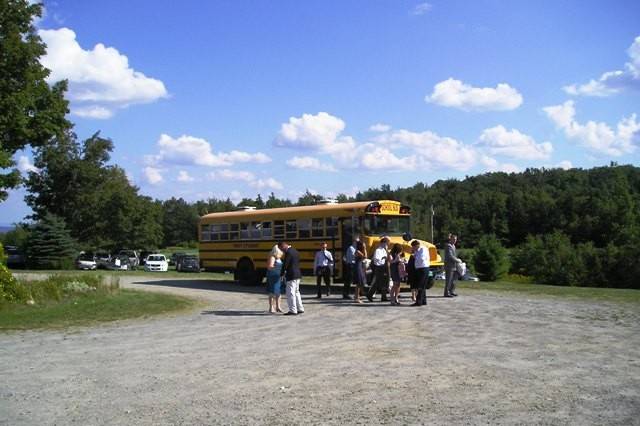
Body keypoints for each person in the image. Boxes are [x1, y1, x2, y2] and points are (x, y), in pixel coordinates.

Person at [279, 241, 304, 315]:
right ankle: (300, 308)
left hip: (291, 275)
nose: (281, 251)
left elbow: (285, 264)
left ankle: (293, 310)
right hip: (297, 274)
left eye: (281, 249)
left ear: (283, 246)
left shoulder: (288, 252)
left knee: (290, 293)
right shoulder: (295, 251)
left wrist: (281, 274)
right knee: (297, 292)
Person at [367, 237, 390, 302]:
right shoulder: (378, 250)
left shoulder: (384, 250)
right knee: (377, 282)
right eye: (386, 243)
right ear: (383, 243)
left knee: (385, 282)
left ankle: (384, 296)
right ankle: (370, 294)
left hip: (384, 267)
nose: (387, 244)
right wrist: (383, 259)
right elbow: (376, 259)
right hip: (380, 267)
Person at [265, 244, 284, 313]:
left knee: (278, 292)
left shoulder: (278, 258)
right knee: (272, 292)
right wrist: (277, 269)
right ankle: (271, 307)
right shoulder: (272, 257)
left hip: (278, 277)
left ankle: (278, 307)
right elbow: (270, 267)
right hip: (273, 277)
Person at [411, 240, 430, 306]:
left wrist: (415, 256)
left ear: (416, 245)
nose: (413, 249)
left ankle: (419, 301)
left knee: (420, 285)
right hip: (419, 269)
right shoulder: (417, 251)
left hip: (423, 268)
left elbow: (421, 258)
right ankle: (423, 301)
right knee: (422, 286)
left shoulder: (423, 249)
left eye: (413, 247)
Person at [444, 233, 462, 297]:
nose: (455, 240)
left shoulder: (453, 246)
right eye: (453, 239)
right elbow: (450, 256)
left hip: (454, 266)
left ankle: (451, 291)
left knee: (453, 280)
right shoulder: (448, 246)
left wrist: (457, 261)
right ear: (450, 239)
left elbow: (454, 256)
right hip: (449, 266)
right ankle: (446, 293)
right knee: (448, 280)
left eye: (456, 239)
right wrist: (458, 260)